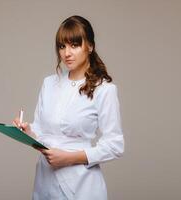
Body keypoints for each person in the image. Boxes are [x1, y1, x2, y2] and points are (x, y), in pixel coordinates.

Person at [13, 15, 124, 200]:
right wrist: (28, 131)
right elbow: (42, 130)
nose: (67, 53)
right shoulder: (49, 83)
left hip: (81, 184)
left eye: (74, 45)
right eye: (62, 46)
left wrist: (69, 158)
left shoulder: (104, 89)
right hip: (45, 181)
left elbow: (115, 145)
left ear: (89, 46)